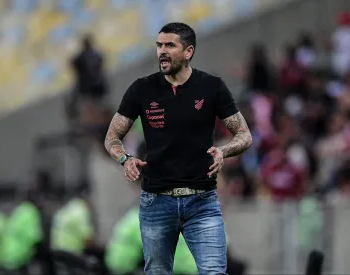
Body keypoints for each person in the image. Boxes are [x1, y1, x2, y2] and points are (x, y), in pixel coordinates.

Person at [104, 22, 252, 274]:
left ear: (188, 52)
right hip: (156, 202)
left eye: (169, 45)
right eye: (159, 45)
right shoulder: (142, 89)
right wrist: (125, 159)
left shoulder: (211, 87)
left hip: (202, 201)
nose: (162, 51)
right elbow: (111, 137)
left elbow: (244, 135)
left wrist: (223, 151)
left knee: (215, 272)